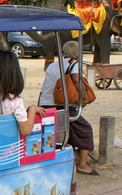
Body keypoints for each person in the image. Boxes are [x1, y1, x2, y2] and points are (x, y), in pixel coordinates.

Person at [38, 40, 98, 175]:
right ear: (77, 53)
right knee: (85, 129)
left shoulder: (53, 65)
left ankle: (67, 159)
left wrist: (39, 106)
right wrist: (84, 97)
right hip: (61, 105)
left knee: (54, 133)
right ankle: (82, 164)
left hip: (45, 104)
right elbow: (76, 80)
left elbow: (43, 89)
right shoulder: (74, 64)